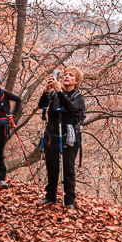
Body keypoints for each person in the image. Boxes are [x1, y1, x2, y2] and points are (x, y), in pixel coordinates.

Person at [38, 67, 85, 209]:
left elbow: (70, 107)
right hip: (52, 133)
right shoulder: (53, 94)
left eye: (71, 76)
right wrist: (47, 91)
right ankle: (50, 196)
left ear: (76, 81)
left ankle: (69, 200)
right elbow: (42, 105)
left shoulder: (78, 97)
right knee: (52, 167)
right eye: (65, 75)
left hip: (69, 136)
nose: (66, 77)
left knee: (68, 169)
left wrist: (58, 91)